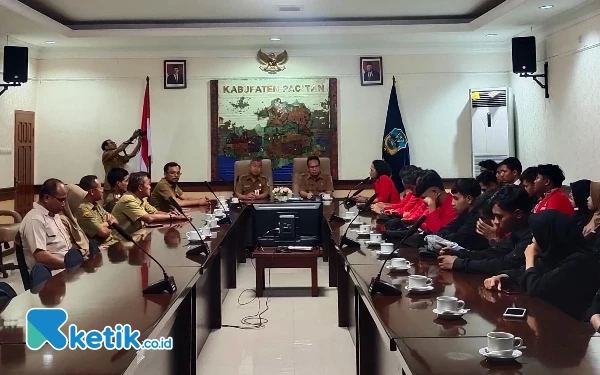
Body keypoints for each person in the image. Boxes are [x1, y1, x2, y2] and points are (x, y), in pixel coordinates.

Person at [484, 210, 600, 320]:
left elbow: (536, 289)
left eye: (536, 234)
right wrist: (504, 277)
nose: (533, 240)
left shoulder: (578, 260)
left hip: (572, 325)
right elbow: (529, 271)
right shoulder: (554, 253)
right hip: (549, 318)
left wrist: (529, 258)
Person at [437, 185, 533, 275]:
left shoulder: (533, 232)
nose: (495, 221)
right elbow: (495, 253)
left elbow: (504, 264)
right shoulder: (519, 229)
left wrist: (460, 263)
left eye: (499, 217)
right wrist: (458, 254)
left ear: (518, 214)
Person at [18, 179, 75, 270]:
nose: (64, 204)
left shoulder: (54, 214)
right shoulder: (35, 220)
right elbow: (41, 257)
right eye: (61, 200)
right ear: (46, 198)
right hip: (52, 274)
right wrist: (68, 264)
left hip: (65, 267)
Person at [112, 172, 188, 234]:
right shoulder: (128, 199)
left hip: (136, 235)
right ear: (140, 188)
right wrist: (173, 217)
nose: (150, 187)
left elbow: (156, 212)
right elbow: (149, 218)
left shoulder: (141, 198)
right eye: (148, 184)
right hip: (121, 241)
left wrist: (177, 215)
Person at [435, 178, 489, 250]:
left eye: (456, 198)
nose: (452, 203)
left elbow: (456, 239)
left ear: (469, 199)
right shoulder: (464, 214)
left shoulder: (478, 218)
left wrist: (446, 235)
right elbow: (443, 230)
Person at [76, 175, 118, 245]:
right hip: (102, 246)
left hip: (112, 241)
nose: (102, 190)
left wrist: (102, 225)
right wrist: (109, 223)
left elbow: (115, 221)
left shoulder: (96, 205)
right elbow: (103, 233)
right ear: (92, 191)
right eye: (100, 187)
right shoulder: (82, 210)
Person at [101, 129, 142, 199]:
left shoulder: (117, 156)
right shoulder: (106, 154)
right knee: (109, 203)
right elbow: (120, 149)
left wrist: (139, 143)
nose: (114, 143)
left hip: (121, 184)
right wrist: (132, 138)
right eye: (111, 143)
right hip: (110, 185)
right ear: (106, 147)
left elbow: (131, 155)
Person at [59, 184, 92, 256]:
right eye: (78, 202)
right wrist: (86, 252)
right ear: (71, 201)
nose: (80, 206)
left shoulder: (72, 216)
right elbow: (69, 246)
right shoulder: (62, 219)